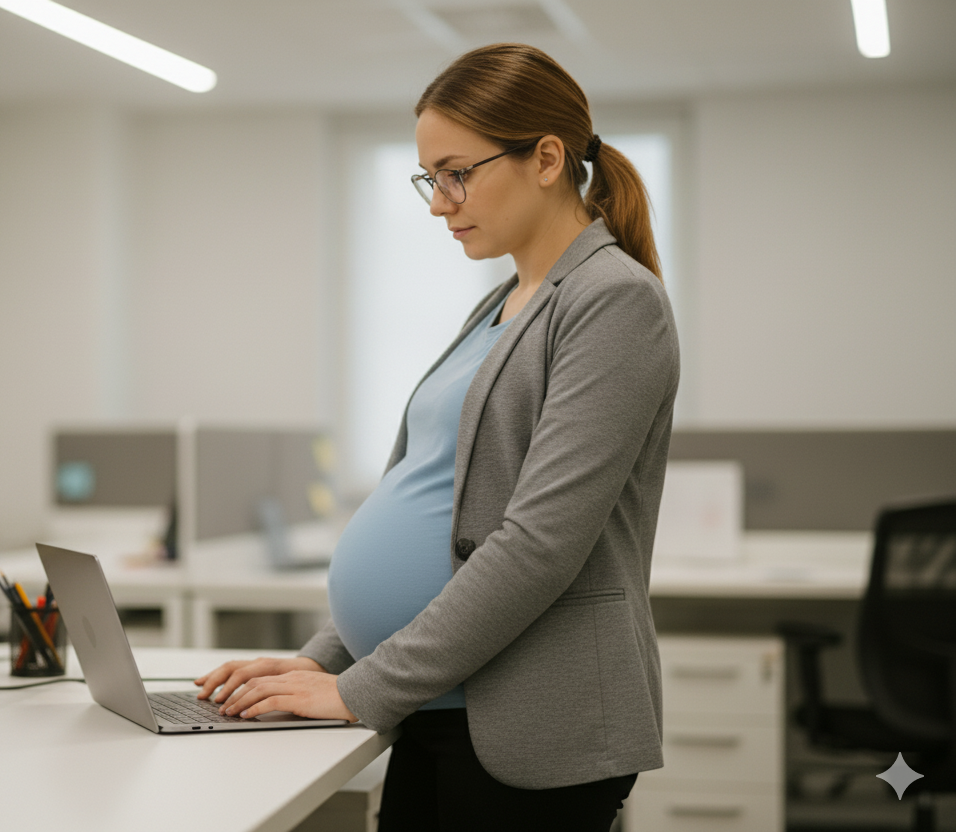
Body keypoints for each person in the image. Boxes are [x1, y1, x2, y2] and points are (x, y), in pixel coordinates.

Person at [195, 42, 678, 831]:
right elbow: (423, 495)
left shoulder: (614, 301)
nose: (438, 202)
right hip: (436, 705)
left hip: (526, 731)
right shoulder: (497, 305)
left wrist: (357, 689)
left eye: (457, 173)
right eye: (430, 178)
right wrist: (326, 656)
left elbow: (538, 543)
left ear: (547, 158)